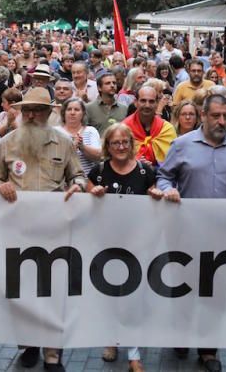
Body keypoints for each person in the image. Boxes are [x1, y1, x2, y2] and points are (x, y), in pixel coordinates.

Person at [0, 87, 87, 372]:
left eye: (38, 110)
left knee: (55, 290)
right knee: (23, 290)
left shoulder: (63, 142)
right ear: (20, 112)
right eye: (27, 109)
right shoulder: (7, 143)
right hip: (18, 231)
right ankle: (29, 343)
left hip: (55, 230)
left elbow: (78, 176)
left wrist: (77, 188)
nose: (31, 115)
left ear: (48, 113)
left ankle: (53, 353)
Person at [157, 95, 226, 371]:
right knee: (184, 287)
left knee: (216, 292)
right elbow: (164, 176)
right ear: (203, 115)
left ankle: (208, 349)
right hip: (185, 233)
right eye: (216, 116)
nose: (222, 121)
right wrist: (168, 190)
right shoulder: (182, 145)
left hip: (224, 235)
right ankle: (181, 334)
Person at [87, 123, 159, 371]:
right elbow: (86, 206)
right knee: (109, 296)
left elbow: (154, 197)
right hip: (105, 245)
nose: (120, 147)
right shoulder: (97, 171)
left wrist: (156, 195)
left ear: (131, 144)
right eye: (115, 143)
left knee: (133, 299)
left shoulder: (144, 171)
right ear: (107, 146)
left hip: (137, 245)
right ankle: (111, 341)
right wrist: (92, 194)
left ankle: (134, 355)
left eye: (124, 142)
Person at [124, 85, 177, 165]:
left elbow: (173, 162)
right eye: (143, 101)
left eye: (151, 101)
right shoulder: (124, 128)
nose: (147, 105)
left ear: (157, 103)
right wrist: (134, 162)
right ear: (135, 102)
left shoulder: (167, 129)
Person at [60, 97, 102, 176]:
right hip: (62, 182)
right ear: (63, 113)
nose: (72, 113)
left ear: (83, 113)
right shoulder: (56, 132)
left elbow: (99, 156)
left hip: (88, 180)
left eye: (76, 110)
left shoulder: (91, 131)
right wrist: (72, 147)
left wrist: (82, 147)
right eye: (69, 109)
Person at [84, 71, 128, 137]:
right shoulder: (88, 108)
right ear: (99, 88)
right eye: (108, 83)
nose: (112, 85)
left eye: (114, 83)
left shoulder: (124, 109)